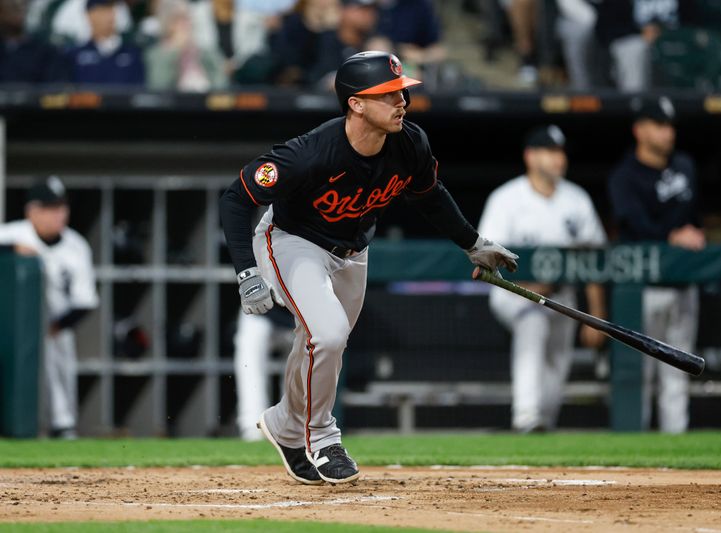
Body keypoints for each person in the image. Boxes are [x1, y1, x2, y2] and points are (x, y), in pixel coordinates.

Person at [219, 50, 518, 484]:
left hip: (353, 252)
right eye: (388, 94)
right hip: (291, 240)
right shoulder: (310, 153)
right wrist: (247, 272)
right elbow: (236, 197)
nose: (402, 102)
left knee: (320, 341)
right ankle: (322, 438)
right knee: (328, 333)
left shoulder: (410, 143)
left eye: (402, 92)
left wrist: (473, 243)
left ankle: (286, 425)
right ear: (355, 103)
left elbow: (430, 194)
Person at [478, 125, 607, 433]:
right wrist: (526, 286)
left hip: (561, 294)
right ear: (531, 157)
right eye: (550, 151)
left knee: (558, 357)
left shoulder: (577, 200)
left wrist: (596, 314)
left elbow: (595, 259)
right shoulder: (506, 198)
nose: (558, 159)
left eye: (560, 152)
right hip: (513, 293)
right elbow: (485, 257)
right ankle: (526, 416)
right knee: (532, 324)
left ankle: (543, 424)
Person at [608, 97, 704, 434]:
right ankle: (636, 451)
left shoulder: (685, 166)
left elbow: (693, 219)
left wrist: (691, 233)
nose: (668, 133)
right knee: (640, 374)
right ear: (640, 130)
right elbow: (634, 228)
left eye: (670, 126)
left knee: (677, 374)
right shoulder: (624, 176)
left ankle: (675, 457)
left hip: (682, 281)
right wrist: (671, 236)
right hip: (642, 288)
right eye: (659, 125)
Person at [0, 176, 99, 439]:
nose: (59, 214)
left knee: (58, 375)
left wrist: (56, 327)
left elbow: (85, 300)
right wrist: (9, 249)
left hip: (54, 325)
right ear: (32, 210)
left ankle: (61, 427)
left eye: (61, 207)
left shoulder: (76, 245)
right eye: (50, 208)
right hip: (11, 327)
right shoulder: (11, 234)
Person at [233, 307, 294, 442]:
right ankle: (253, 428)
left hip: (300, 314)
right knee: (249, 347)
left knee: (300, 367)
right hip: (260, 309)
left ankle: (293, 427)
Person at [144, 0, 227, 91]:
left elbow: (221, 80)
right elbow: (159, 85)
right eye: (180, 19)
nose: (187, 24)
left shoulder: (204, 50)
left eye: (188, 18)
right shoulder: (156, 54)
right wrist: (175, 50)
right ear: (168, 23)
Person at [65, 0, 145, 85]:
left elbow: (140, 90)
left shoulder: (132, 53)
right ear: (90, 15)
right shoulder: (75, 55)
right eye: (103, 10)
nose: (110, 15)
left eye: (112, 9)